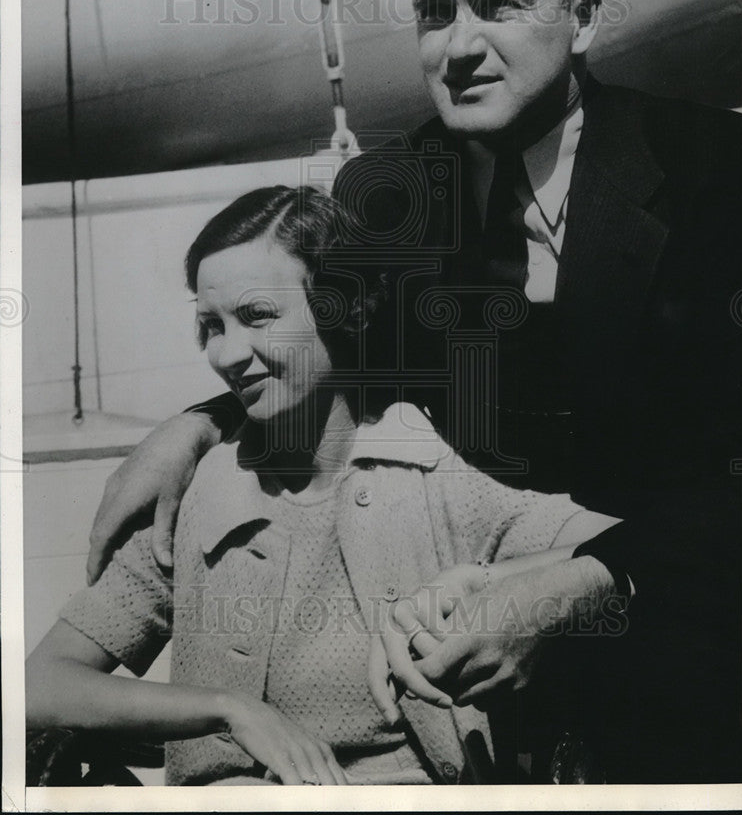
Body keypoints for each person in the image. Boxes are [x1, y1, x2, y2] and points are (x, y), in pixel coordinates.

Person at [83, 0, 742, 783]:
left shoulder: (722, 175)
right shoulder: (379, 197)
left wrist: (579, 585)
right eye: (435, 12)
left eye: (499, 5)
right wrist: (192, 427)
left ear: (583, 15)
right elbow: (338, 360)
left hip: (689, 668)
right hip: (456, 707)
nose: (459, 47)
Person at [26, 185, 618, 786]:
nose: (227, 354)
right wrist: (229, 711)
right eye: (210, 326)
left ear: (346, 309)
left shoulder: (436, 472)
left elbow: (628, 555)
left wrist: (494, 588)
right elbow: (42, 682)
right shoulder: (199, 494)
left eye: (257, 316)